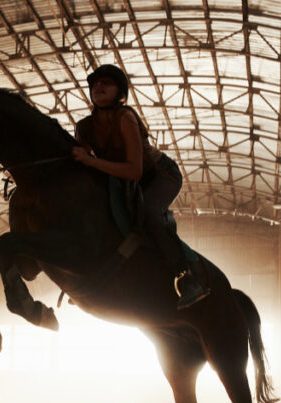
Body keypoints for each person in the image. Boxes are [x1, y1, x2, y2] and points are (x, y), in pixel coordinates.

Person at [71, 64, 209, 309]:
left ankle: (186, 277)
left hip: (159, 176)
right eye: (96, 83)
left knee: (149, 213)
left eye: (107, 83)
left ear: (120, 93)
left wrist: (91, 161)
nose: (99, 86)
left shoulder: (125, 117)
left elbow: (134, 170)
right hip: (124, 182)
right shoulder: (84, 127)